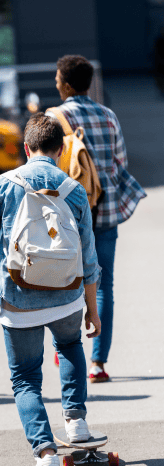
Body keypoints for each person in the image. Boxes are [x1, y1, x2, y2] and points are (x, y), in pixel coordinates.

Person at [0, 113, 101, 466]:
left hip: (19, 297)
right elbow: (89, 258)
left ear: (26, 148)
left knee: (26, 378)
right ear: (60, 149)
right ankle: (76, 420)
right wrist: (92, 310)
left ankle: (45, 454)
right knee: (70, 347)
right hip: (67, 293)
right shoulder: (74, 190)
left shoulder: (3, 185)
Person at [50, 55, 146, 383]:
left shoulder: (54, 117)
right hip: (105, 211)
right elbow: (121, 160)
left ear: (64, 83)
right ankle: (98, 364)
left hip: (67, 215)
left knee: (64, 283)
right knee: (104, 286)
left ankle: (66, 351)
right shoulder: (108, 115)